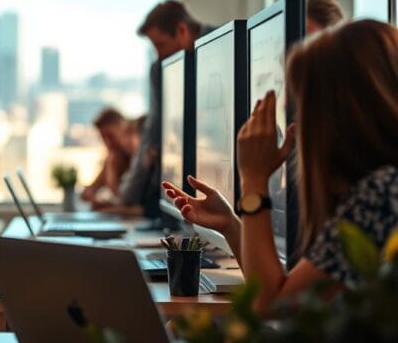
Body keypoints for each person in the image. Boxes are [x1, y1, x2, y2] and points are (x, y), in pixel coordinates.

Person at [164, 19, 398, 312]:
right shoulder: (380, 187)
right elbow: (285, 291)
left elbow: (275, 307)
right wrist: (230, 226)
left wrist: (253, 178)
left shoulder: (382, 194)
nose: (297, 124)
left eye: (303, 105)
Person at [116, 0, 212, 216]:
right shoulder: (160, 70)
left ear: (182, 30)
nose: (158, 56)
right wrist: (125, 198)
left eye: (160, 45)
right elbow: (153, 130)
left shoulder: (225, 43)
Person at [82, 108, 138, 204]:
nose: (107, 142)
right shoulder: (114, 157)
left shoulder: (136, 156)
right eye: (103, 138)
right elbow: (88, 192)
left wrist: (111, 169)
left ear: (123, 126)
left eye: (110, 135)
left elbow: (124, 199)